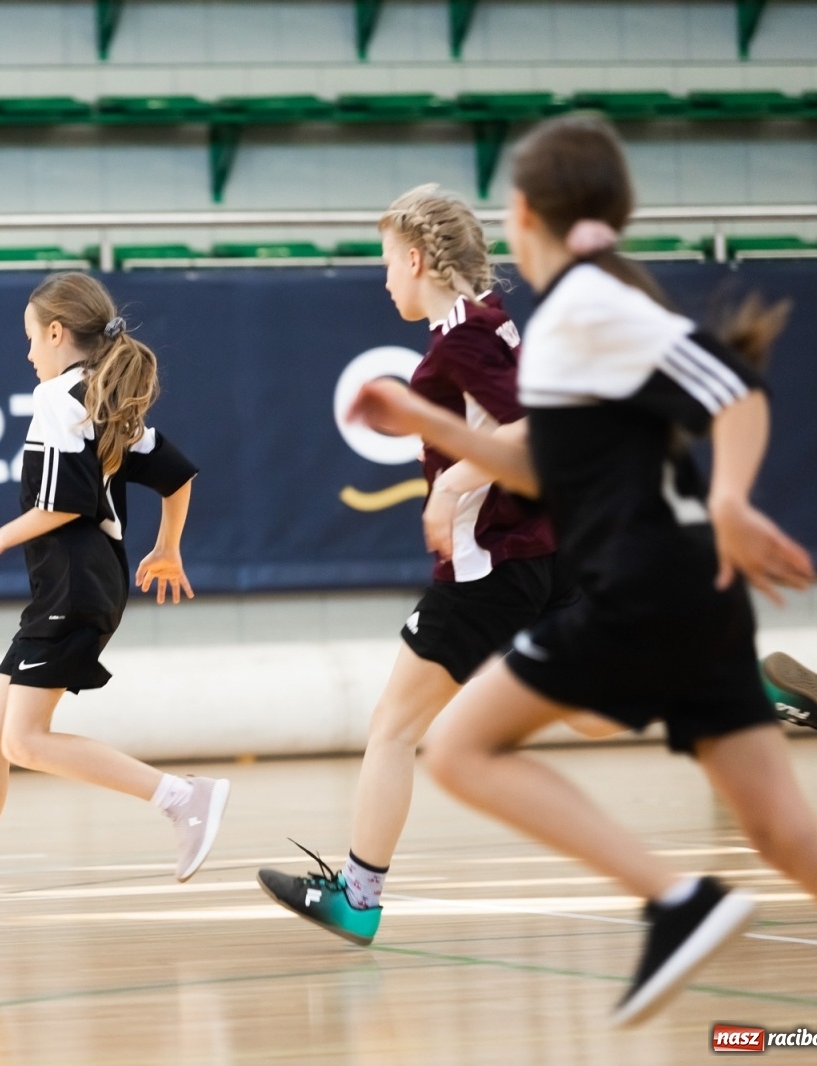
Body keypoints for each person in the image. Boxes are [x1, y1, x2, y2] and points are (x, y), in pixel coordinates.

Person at [347, 114, 817, 1026]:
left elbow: (712, 396)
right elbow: (553, 448)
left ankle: (675, 900)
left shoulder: (573, 311)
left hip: (634, 572)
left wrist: (729, 502)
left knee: (459, 748)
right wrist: (435, 437)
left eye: (390, 258)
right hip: (674, 580)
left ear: (524, 215)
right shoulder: (548, 317)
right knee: (780, 831)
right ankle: (714, 811)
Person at [258, 185, 570, 946]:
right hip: (542, 552)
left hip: (484, 566)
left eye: (388, 263)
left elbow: (534, 430)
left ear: (419, 258)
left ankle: (357, 899)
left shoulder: (460, 337)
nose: (384, 279)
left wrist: (451, 490)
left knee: (393, 728)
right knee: (595, 712)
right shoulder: (491, 322)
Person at [0, 272, 228, 936]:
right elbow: (178, 474)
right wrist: (168, 548)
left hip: (74, 588)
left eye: (31, 338)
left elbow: (62, 504)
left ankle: (182, 797)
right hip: (75, 588)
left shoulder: (59, 400)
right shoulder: (100, 399)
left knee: (23, 739)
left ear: (58, 333)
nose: (28, 352)